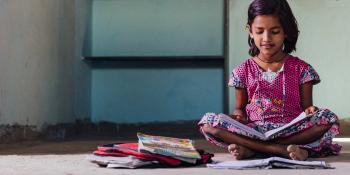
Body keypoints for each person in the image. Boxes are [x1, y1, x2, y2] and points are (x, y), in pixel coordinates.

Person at [198, 0, 341, 161]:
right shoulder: (242, 70)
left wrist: (310, 110)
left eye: (274, 31)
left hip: (291, 131)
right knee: (208, 123)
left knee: (327, 118)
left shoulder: (302, 69)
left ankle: (253, 149)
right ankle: (279, 150)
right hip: (254, 130)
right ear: (250, 31)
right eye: (259, 31)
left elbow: (307, 108)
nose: (266, 38)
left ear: (286, 32)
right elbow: (240, 109)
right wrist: (238, 116)